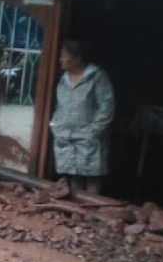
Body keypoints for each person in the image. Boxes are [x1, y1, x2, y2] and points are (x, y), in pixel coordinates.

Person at [49, 39, 115, 195]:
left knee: (92, 176)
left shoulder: (96, 77)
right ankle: (76, 214)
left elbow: (106, 107)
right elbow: (59, 106)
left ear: (77, 58)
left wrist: (93, 131)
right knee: (73, 175)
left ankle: (89, 216)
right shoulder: (63, 80)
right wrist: (55, 125)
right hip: (66, 136)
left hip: (89, 137)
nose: (60, 59)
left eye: (64, 56)